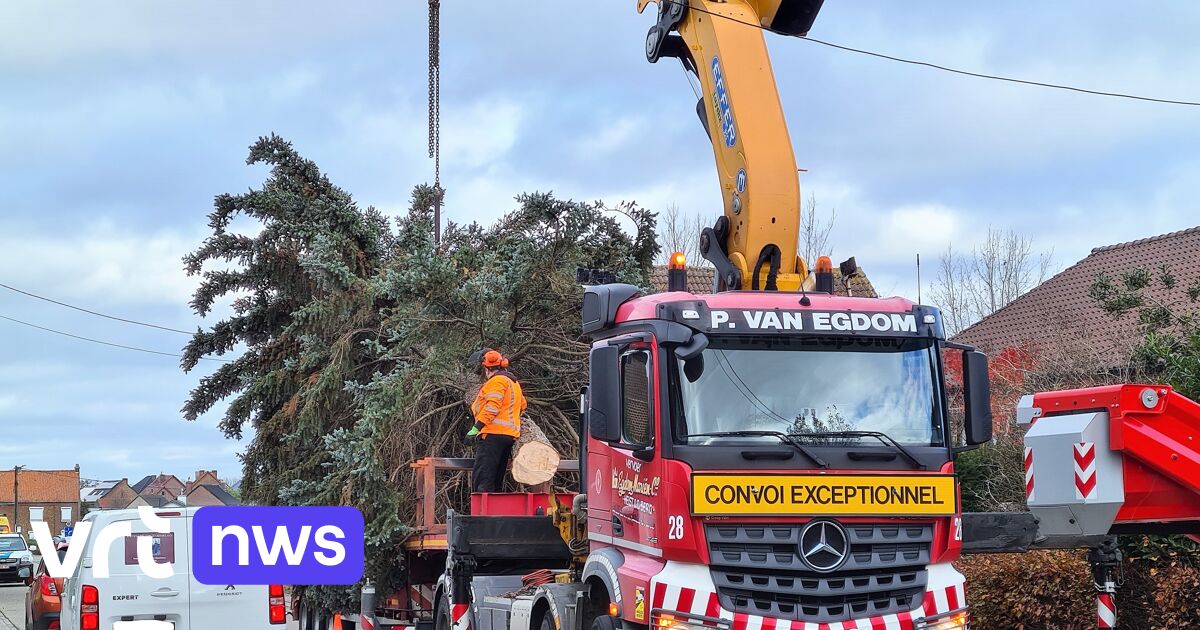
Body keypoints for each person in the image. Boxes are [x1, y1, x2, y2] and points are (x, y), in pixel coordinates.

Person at [468, 348, 525, 492]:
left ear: (486, 368)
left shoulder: (496, 381)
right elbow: (523, 405)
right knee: (495, 479)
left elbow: (492, 407)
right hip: (509, 436)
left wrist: (476, 428)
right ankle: (494, 510)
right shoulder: (513, 383)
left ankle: (482, 511)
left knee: (483, 480)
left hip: (492, 435)